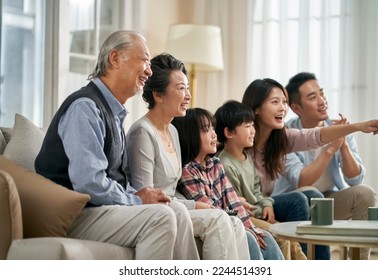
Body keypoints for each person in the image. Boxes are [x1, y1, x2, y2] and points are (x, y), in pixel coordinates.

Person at [34, 30, 195, 260]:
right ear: (115, 58)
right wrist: (138, 200)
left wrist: (140, 196)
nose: (149, 71)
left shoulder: (113, 112)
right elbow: (88, 182)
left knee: (176, 209)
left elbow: (113, 179)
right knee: (161, 217)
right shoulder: (85, 107)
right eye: (145, 60)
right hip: (73, 214)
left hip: (98, 210)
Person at [241, 78, 378, 260]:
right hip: (274, 203)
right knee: (306, 196)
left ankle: (346, 265)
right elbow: (302, 180)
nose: (282, 108)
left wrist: (356, 128)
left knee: (331, 196)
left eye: (283, 102)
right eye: (275, 102)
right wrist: (331, 148)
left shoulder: (281, 138)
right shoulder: (242, 138)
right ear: (256, 108)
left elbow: (316, 137)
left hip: (284, 202)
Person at [126, 53, 250, 260]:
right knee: (218, 220)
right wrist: (194, 205)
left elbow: (172, 190)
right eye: (181, 88)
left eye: (187, 88)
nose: (188, 96)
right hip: (158, 214)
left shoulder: (173, 131)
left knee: (235, 222)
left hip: (175, 206)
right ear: (158, 95)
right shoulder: (142, 133)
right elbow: (146, 197)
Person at [274, 72, 377, 259]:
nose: (322, 101)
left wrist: (343, 145)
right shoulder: (286, 134)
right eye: (313, 97)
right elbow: (301, 181)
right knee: (309, 191)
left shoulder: (336, 126)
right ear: (296, 108)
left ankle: (360, 265)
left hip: (328, 200)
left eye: (322, 94)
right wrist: (330, 149)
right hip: (297, 202)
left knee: (365, 193)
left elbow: (355, 179)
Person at [172, 107, 284, 260]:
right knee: (249, 239)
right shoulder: (187, 171)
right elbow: (210, 208)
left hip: (232, 218)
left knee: (265, 237)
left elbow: (233, 201)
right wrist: (245, 228)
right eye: (206, 130)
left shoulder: (216, 164)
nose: (214, 134)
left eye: (212, 128)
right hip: (222, 221)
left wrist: (251, 227)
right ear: (190, 136)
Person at [214, 100, 306, 260]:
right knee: (281, 236)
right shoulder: (225, 165)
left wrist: (266, 204)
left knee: (293, 239)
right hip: (244, 217)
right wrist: (259, 209)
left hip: (257, 212)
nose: (253, 131)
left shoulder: (246, 157)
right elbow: (234, 207)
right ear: (229, 133)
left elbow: (257, 190)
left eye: (252, 125)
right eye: (247, 126)